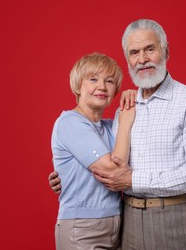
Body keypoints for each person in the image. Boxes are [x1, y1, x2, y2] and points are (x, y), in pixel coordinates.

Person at [49, 19, 186, 250]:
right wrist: (66, 176)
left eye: (150, 49)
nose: (142, 59)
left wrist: (131, 180)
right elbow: (104, 160)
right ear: (128, 59)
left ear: (165, 51)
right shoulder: (124, 111)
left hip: (177, 219)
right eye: (134, 52)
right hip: (129, 221)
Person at [51, 52, 135, 250]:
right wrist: (125, 121)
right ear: (78, 85)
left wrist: (134, 97)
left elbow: (137, 157)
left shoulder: (107, 126)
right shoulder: (70, 122)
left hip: (117, 223)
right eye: (93, 79)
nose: (102, 87)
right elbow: (113, 171)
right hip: (82, 228)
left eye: (109, 81)